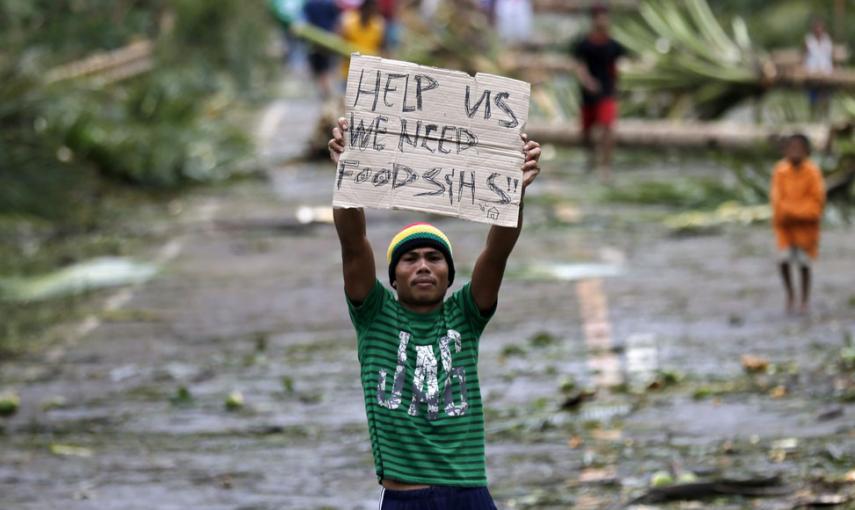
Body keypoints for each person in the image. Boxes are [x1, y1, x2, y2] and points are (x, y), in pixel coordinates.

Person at [328, 116, 541, 508]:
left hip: (471, 496)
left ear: (449, 276)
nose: (423, 266)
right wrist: (349, 176)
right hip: (407, 500)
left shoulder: (466, 314)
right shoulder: (374, 316)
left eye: (434, 258)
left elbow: (497, 251)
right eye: (410, 259)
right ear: (392, 279)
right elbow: (353, 243)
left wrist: (513, 192)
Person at [770, 134, 826, 315]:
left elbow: (816, 204)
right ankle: (790, 294)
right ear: (785, 151)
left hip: (805, 229)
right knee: (783, 260)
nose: (795, 152)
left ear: (807, 152)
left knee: (804, 264)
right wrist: (793, 211)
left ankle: (804, 299)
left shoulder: (813, 172)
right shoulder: (780, 171)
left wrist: (793, 211)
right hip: (785, 228)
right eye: (791, 148)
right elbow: (777, 201)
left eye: (799, 149)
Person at [570, 4, 626, 182]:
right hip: (588, 94)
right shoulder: (584, 44)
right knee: (587, 131)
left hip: (607, 92)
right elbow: (579, 66)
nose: (602, 20)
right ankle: (590, 160)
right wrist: (587, 81)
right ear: (593, 20)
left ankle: (605, 165)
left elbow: (619, 66)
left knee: (608, 128)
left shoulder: (614, 45)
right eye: (599, 17)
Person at [303, 0, 342, 99]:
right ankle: (327, 93)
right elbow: (336, 22)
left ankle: (328, 93)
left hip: (321, 42)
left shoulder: (325, 4)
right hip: (321, 42)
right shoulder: (314, 4)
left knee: (324, 69)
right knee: (323, 69)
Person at [340, 0, 385, 77]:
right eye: (368, 9)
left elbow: (382, 48)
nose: (369, 12)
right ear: (363, 8)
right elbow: (340, 43)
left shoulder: (378, 26)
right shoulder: (348, 22)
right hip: (349, 71)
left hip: (368, 73)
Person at [804, 17, 834, 120]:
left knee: (825, 91)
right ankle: (813, 115)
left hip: (825, 71)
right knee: (813, 91)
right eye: (816, 28)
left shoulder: (827, 40)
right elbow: (806, 56)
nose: (818, 30)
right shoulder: (809, 40)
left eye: (820, 28)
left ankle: (825, 115)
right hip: (812, 71)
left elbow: (828, 57)